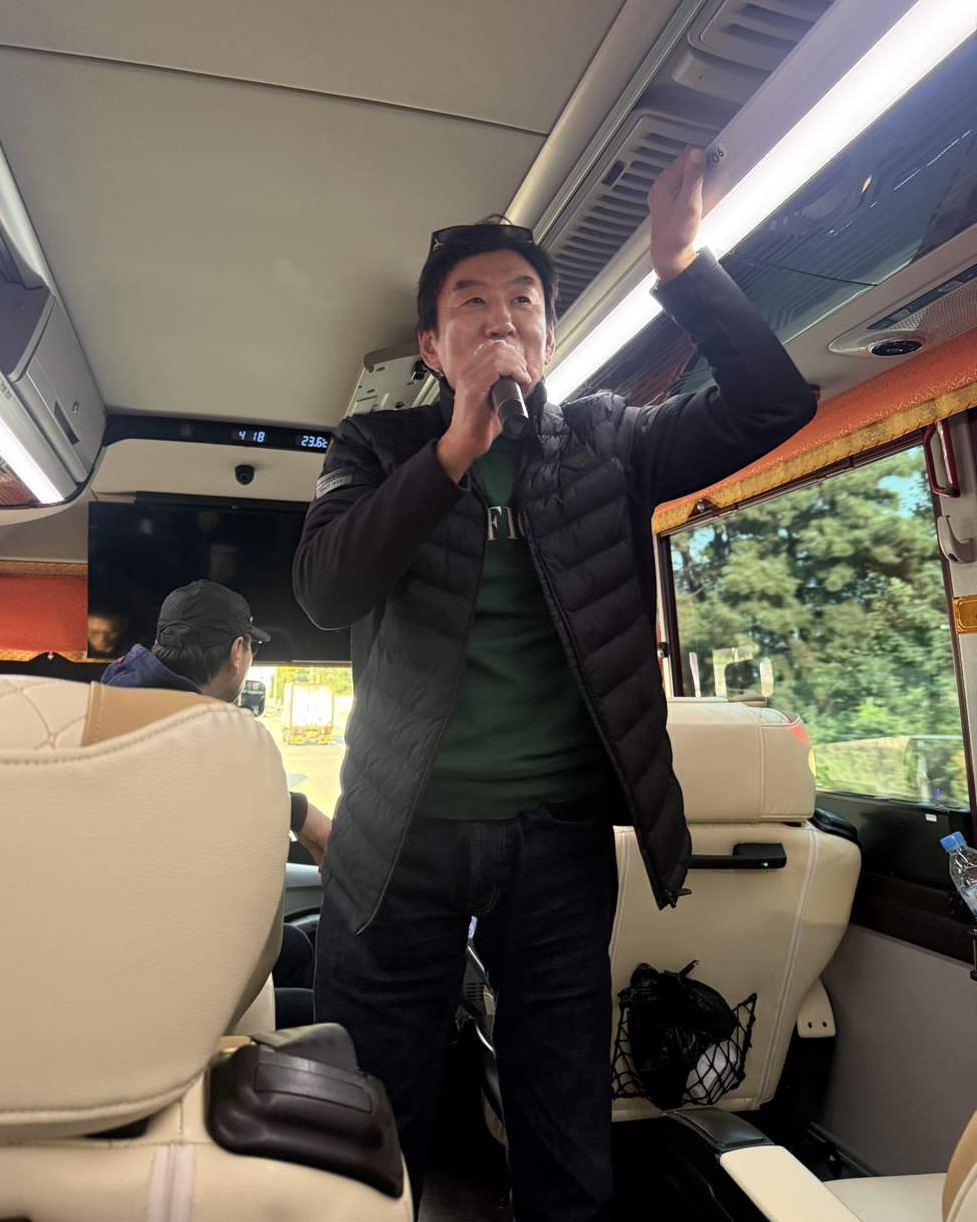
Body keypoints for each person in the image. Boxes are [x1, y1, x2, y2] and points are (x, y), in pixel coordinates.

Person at [293, 150, 817, 1220]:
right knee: (367, 1123)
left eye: (523, 301)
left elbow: (773, 405)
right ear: (433, 346)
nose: (501, 318)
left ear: (548, 334)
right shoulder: (376, 446)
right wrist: (452, 449)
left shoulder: (609, 441)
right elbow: (326, 589)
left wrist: (683, 266)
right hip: (401, 836)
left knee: (566, 1122)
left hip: (557, 841)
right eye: (471, 303)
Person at [103, 579, 331, 1017]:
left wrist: (299, 813)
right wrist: (306, 819)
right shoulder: (220, 739)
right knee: (319, 1014)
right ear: (237, 651)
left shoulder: (115, 704)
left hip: (119, 947)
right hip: (158, 978)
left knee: (294, 948)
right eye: (252, 649)